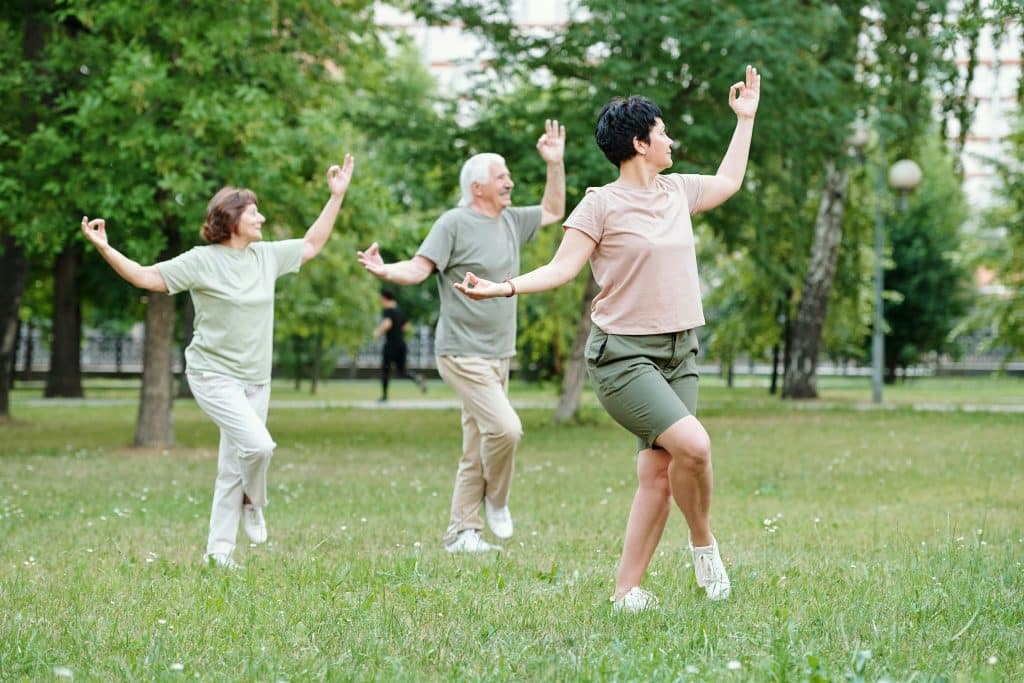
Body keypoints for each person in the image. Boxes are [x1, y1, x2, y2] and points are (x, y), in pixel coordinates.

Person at [454, 66, 761, 610]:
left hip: (680, 351)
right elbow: (559, 269)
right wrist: (502, 288)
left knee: (659, 473)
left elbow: (730, 182)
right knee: (694, 445)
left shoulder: (677, 190)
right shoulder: (600, 203)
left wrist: (746, 120)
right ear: (640, 143)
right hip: (623, 357)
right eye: (663, 133)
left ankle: (627, 591)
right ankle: (703, 543)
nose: (671, 141)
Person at [80, 156, 356, 569]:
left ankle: (219, 552)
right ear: (231, 220)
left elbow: (313, 243)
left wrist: (337, 196)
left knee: (233, 463)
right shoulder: (201, 260)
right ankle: (253, 499)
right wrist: (105, 247)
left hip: (256, 380)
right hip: (213, 376)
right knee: (259, 445)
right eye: (253, 212)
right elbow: (143, 277)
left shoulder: (266, 257)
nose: (261, 218)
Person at [357, 119, 566, 553]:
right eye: (501, 175)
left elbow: (553, 210)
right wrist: (384, 269)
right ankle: (498, 502)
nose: (509, 180)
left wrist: (555, 164)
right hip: (461, 352)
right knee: (506, 430)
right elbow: (418, 269)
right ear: (477, 187)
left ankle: (462, 533)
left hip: (498, 352)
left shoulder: (510, 221)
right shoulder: (453, 223)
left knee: (477, 444)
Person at [372, 287, 427, 402]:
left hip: (390, 345)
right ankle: (416, 378)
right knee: (401, 371)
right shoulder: (399, 311)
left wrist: (378, 332)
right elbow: (407, 327)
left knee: (385, 370)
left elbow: (387, 324)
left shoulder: (388, 310)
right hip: (401, 345)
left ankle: (384, 396)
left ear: (384, 298)